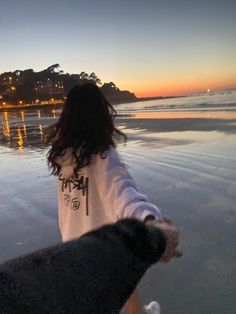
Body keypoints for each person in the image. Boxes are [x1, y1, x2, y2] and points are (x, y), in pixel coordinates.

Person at [46, 83, 181, 314]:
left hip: (74, 249)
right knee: (119, 280)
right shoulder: (102, 156)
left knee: (114, 288)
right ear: (101, 115)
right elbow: (123, 192)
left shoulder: (64, 159)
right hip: (102, 249)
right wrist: (150, 221)